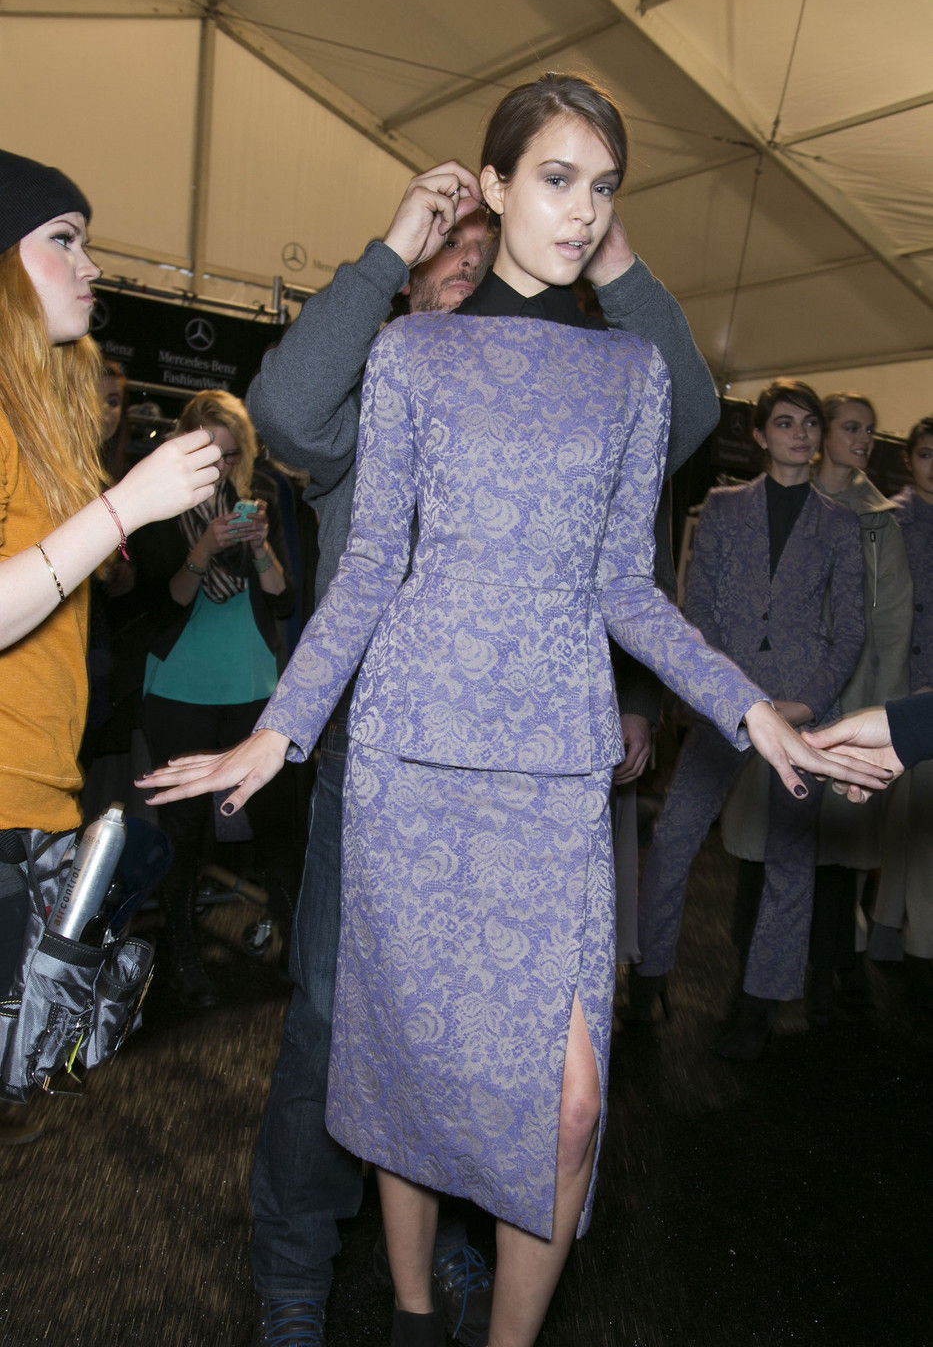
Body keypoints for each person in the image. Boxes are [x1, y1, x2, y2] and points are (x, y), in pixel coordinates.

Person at [139, 76, 888, 1347]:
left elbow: (624, 586)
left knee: (573, 1106)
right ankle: (414, 1312)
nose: (583, 210)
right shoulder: (408, 353)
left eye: (604, 186)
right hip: (410, 767)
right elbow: (370, 570)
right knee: (406, 1064)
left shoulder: (632, 374)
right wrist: (283, 726)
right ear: (490, 186)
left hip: (550, 784)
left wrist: (748, 706)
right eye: (555, 178)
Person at [238, 143, 723, 1346]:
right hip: (379, 746)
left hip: (534, 767)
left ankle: (459, 1256)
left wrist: (609, 254)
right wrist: (390, 251)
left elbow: (682, 426)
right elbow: (283, 409)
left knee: (507, 1064)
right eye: (448, 257)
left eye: (479, 252)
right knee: (346, 1025)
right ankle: (297, 1271)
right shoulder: (382, 377)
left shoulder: (592, 372)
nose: (470, 270)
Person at [0, 147, 221, 1143]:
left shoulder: (36, 421)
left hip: (33, 801)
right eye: (64, 239)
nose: (91, 265)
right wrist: (127, 507)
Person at [631, 380, 864, 1058]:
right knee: (673, 839)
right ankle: (646, 978)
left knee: (790, 859)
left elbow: (849, 631)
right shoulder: (724, 507)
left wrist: (806, 705)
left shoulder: (840, 523)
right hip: (726, 697)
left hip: (804, 707)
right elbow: (696, 606)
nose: (800, 433)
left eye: (809, 423)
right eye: (784, 423)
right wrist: (721, 694)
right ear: (759, 435)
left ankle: (758, 1007)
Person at [721, 391, 912, 1020]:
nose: (864, 441)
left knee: (832, 856)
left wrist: (886, 713)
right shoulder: (764, 505)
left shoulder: (877, 520)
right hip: (777, 696)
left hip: (848, 704)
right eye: (851, 427)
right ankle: (753, 993)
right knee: (768, 849)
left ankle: (823, 990)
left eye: (870, 430)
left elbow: (888, 627)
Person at [133, 390, 295, 1007]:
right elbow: (164, 602)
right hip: (180, 685)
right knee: (184, 828)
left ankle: (294, 951)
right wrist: (203, 549)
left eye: (230, 455)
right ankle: (182, 958)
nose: (220, 466)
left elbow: (283, 597)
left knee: (274, 821)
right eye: (209, 452)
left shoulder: (264, 496)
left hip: (253, 684)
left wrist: (257, 546)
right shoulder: (158, 501)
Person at [869, 416, 933, 1004]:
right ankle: (910, 945)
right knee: (905, 823)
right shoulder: (889, 519)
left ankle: (893, 934)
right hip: (902, 687)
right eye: (927, 453)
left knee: (917, 825)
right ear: (909, 460)